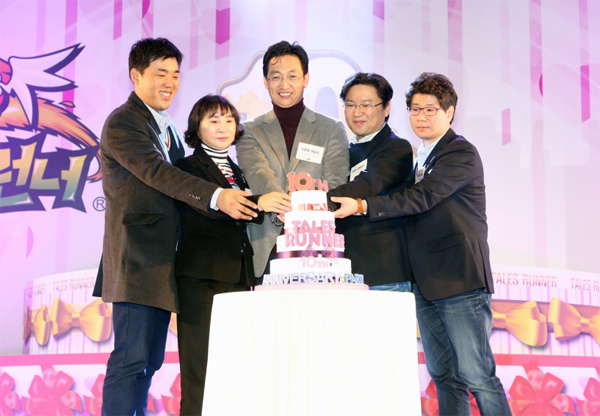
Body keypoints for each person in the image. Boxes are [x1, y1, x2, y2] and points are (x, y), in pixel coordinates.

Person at [94, 38, 257, 415]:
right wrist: (218, 196)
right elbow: (156, 172)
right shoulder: (124, 122)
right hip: (136, 261)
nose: (169, 82)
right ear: (136, 76)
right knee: (131, 361)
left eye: (175, 74)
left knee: (148, 363)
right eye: (160, 74)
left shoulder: (163, 128)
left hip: (161, 265)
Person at [332, 73, 511, 415]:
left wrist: (363, 205)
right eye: (415, 110)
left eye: (431, 110)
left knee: (478, 375)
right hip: (426, 282)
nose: (421, 117)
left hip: (459, 280)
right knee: (444, 375)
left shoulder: (460, 152)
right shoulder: (423, 157)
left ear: (450, 112)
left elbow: (423, 197)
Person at [174, 95, 290, 414]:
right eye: (213, 120)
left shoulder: (236, 170)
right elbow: (212, 209)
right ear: (197, 128)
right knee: (200, 369)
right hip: (200, 279)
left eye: (229, 120)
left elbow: (242, 212)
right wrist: (259, 202)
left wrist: (272, 208)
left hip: (237, 276)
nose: (223, 127)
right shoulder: (186, 167)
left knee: (231, 368)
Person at [237, 40, 349, 279]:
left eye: (292, 76)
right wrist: (290, 209)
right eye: (276, 77)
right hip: (266, 246)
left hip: (318, 248)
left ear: (306, 79)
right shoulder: (249, 131)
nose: (284, 85)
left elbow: (336, 183)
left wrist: (300, 213)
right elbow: (258, 175)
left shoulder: (331, 129)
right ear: (265, 81)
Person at [328, 72, 413, 290]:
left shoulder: (396, 148)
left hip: (383, 274)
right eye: (350, 105)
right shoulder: (342, 151)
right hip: (342, 274)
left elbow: (366, 185)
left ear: (386, 108)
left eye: (366, 105)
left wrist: (307, 203)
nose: (357, 113)